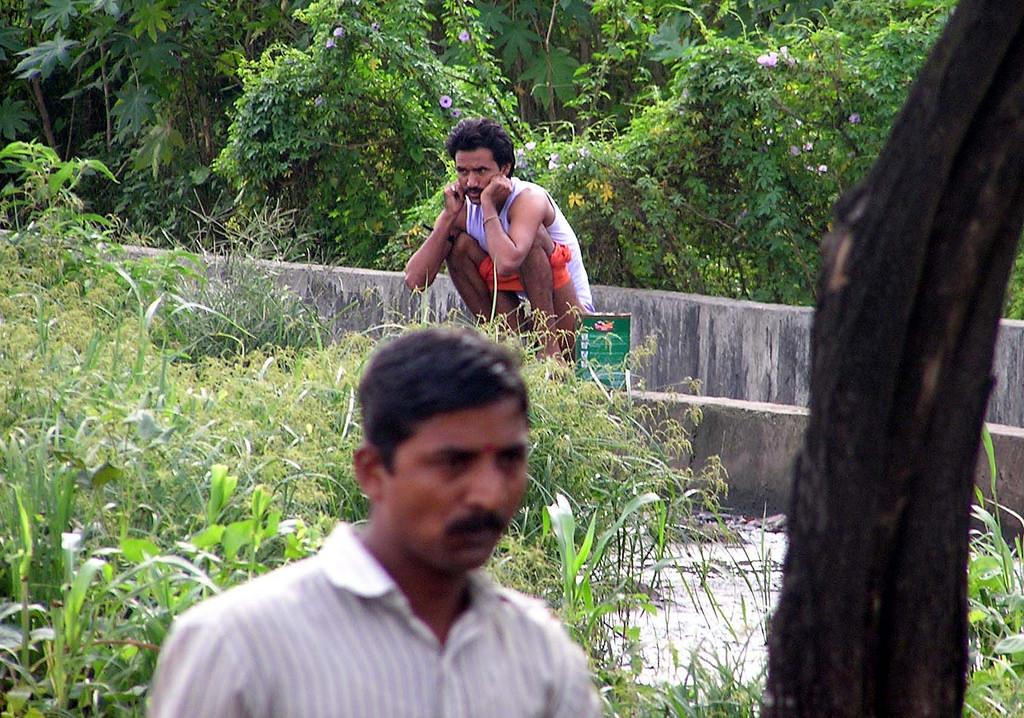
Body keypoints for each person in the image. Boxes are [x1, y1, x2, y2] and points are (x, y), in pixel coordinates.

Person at [148, 328, 602, 718]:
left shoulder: (541, 656)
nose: (489, 493)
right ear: (371, 471)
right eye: (453, 462)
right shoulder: (238, 647)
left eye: (509, 460)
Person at [404, 118, 594, 357]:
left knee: (530, 238)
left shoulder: (528, 199)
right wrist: (448, 218)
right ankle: (506, 349)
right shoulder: (461, 206)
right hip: (522, 323)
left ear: (504, 169)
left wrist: (488, 207)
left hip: (572, 328)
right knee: (458, 246)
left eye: (481, 171)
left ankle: (550, 356)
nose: (471, 182)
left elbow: (506, 263)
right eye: (462, 172)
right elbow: (415, 281)